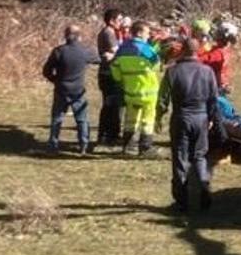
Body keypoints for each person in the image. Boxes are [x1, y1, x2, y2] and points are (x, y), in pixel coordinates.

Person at [157, 37, 222, 212]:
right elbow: (214, 99)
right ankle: (203, 185)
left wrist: (158, 117)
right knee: (200, 156)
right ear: (198, 50)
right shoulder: (207, 71)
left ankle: (182, 199)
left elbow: (163, 99)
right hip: (201, 117)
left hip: (181, 117)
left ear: (182, 50)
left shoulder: (172, 71)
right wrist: (211, 119)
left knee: (180, 157)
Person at [41, 24, 99, 155]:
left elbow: (46, 71)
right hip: (78, 90)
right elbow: (99, 59)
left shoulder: (59, 51)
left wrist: (55, 80)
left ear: (65, 36)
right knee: (82, 118)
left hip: (61, 88)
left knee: (57, 118)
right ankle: (83, 144)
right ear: (79, 36)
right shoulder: (85, 52)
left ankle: (53, 144)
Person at [110, 21, 161, 156]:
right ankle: (145, 147)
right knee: (147, 120)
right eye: (147, 32)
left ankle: (128, 146)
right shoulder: (145, 49)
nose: (148, 35)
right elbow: (157, 65)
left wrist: (121, 80)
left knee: (131, 119)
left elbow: (114, 67)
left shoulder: (122, 48)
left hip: (130, 91)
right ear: (139, 33)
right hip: (148, 91)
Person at [96, 8, 125, 148]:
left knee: (113, 105)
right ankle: (108, 136)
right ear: (112, 20)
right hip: (109, 74)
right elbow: (117, 52)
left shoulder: (113, 32)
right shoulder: (108, 33)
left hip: (110, 72)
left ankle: (110, 134)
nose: (121, 22)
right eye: (119, 19)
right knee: (111, 105)